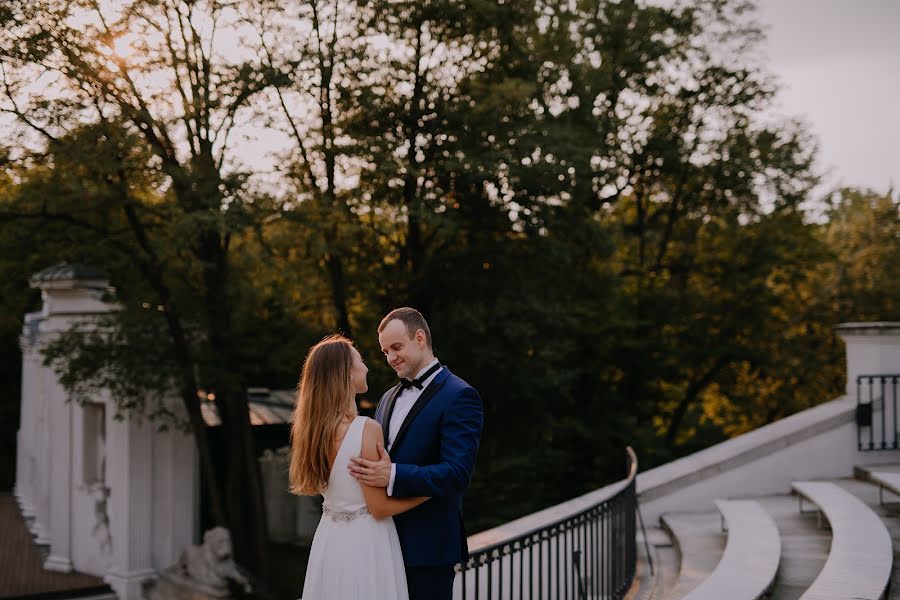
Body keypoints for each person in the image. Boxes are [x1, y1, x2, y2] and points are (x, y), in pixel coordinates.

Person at [349, 307, 484, 600]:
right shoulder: (386, 399)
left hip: (429, 551)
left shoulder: (460, 395)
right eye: (385, 351)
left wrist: (393, 474)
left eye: (396, 347)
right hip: (382, 545)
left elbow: (457, 473)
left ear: (420, 338)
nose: (390, 358)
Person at [289, 334, 428, 600]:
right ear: (346, 375)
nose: (366, 366)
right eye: (360, 361)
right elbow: (380, 507)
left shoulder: (311, 432)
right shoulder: (366, 429)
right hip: (367, 544)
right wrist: (431, 490)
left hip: (329, 541)